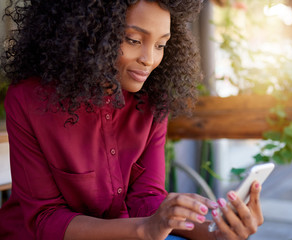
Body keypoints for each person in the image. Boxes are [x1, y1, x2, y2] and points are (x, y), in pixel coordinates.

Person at [0, 0, 264, 239]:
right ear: (88, 33)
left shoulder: (151, 102)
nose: (149, 60)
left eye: (161, 45)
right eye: (134, 40)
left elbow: (147, 199)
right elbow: (46, 219)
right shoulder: (28, 100)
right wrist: (145, 229)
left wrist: (216, 232)